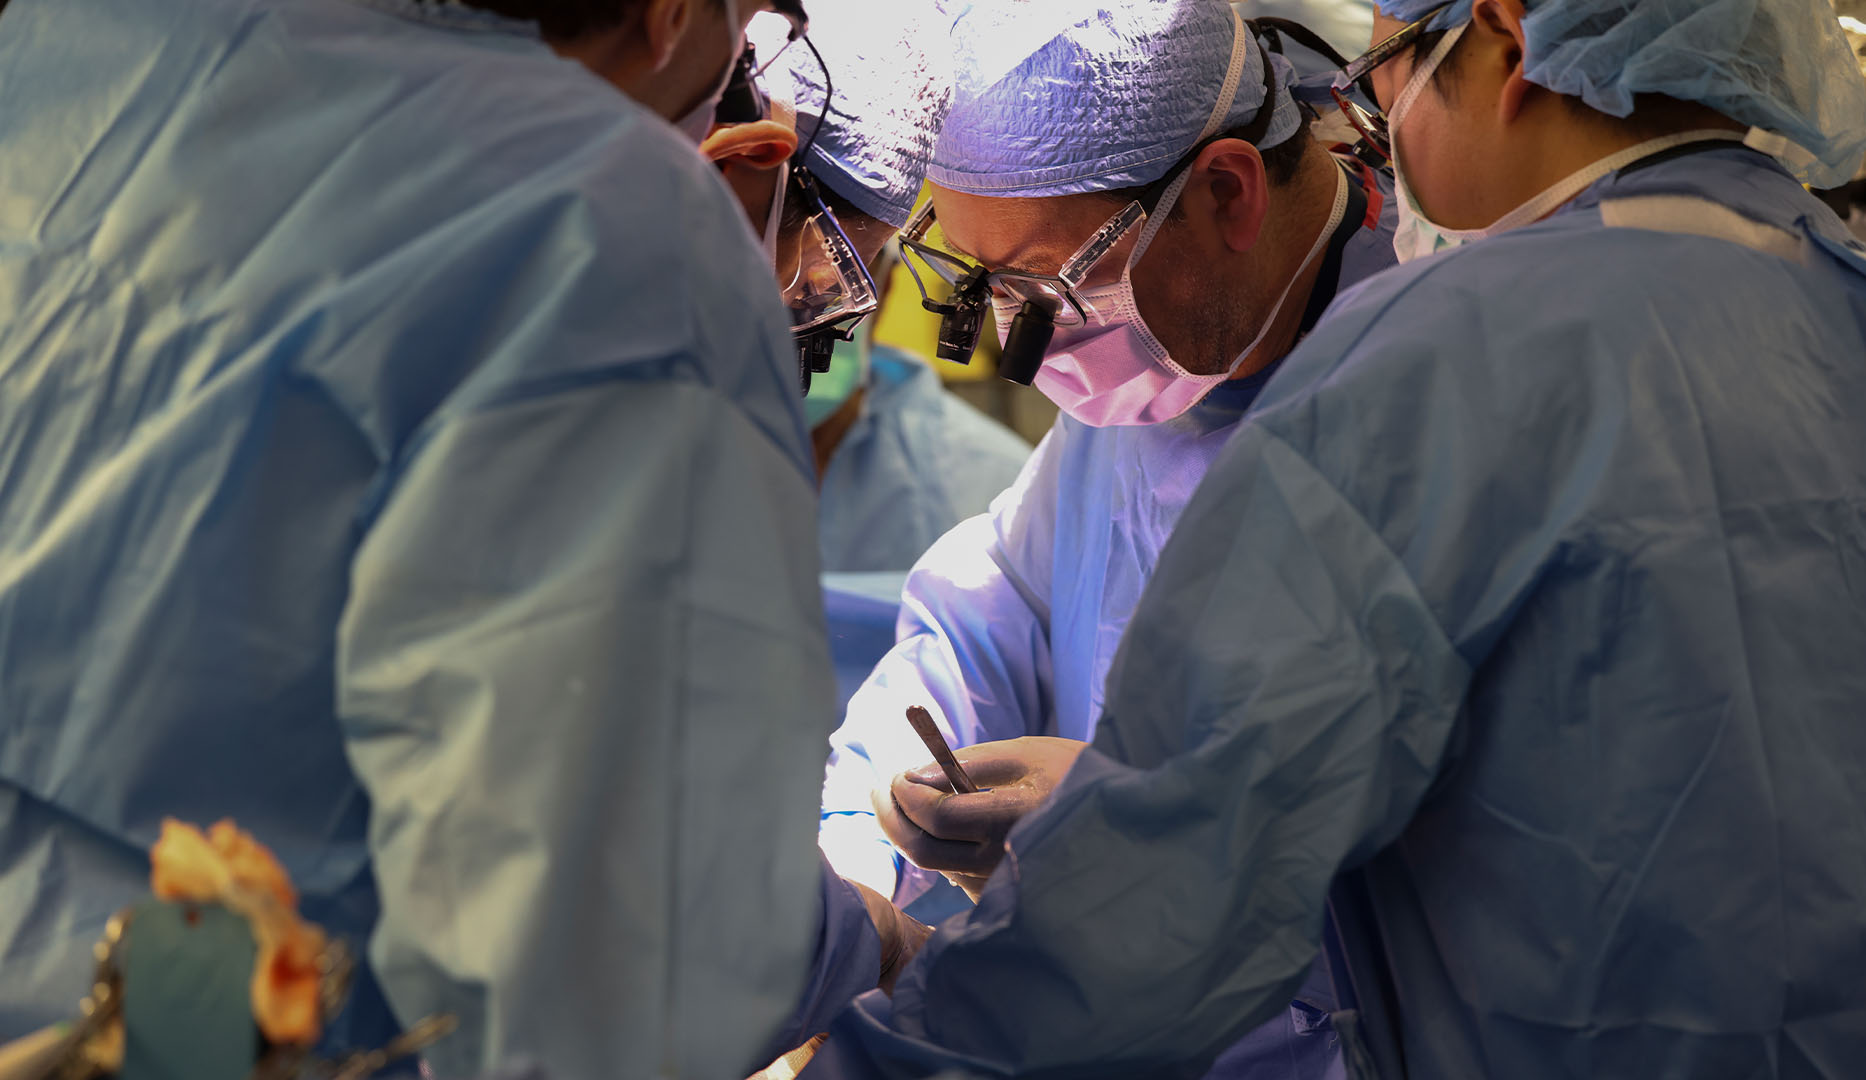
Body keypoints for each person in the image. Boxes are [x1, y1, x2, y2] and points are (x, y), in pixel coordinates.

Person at [814, 0, 1866, 1074]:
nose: (1375, 100)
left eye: (1395, 58)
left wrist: (896, 1015)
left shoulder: (1440, 355)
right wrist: (865, 837)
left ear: (1505, 35)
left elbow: (1177, 883)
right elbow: (997, 599)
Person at [0, 0, 923, 1075]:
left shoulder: (67, 41)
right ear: (673, 13)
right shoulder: (605, 220)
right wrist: (871, 941)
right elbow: (612, 944)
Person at [816, 0, 1400, 1073]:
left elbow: (1475, 850)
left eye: (1049, 286)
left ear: (1225, 191)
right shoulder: (1164, 382)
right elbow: (1001, 603)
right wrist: (863, 835)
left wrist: (1145, 832)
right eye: (983, 289)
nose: (1013, 344)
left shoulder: (1434, 389)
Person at [702, 2, 1034, 577]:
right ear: (743, 157)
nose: (803, 319)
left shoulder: (985, 489)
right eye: (817, 284)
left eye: (829, 299)